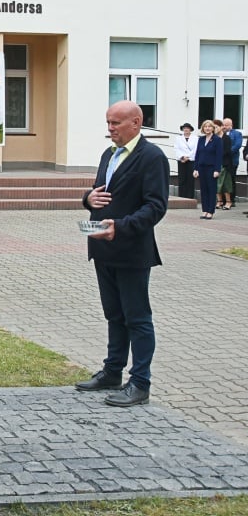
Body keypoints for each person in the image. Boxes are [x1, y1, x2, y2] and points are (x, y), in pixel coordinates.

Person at [78, 100, 168, 408]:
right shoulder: (109, 154)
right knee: (114, 314)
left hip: (131, 250)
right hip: (102, 246)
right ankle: (112, 371)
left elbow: (156, 206)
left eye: (115, 123)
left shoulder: (152, 157)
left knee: (137, 318)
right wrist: (87, 198)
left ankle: (140, 382)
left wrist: (122, 226)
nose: (110, 129)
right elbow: (96, 194)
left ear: (136, 123)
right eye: (108, 123)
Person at [193, 119, 222, 220]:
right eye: (205, 127)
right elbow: (197, 154)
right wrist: (195, 168)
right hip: (202, 167)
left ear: (213, 128)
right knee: (204, 189)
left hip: (211, 168)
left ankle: (210, 211)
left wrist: (217, 170)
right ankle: (204, 210)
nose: (207, 128)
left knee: (211, 189)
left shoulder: (217, 140)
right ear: (203, 128)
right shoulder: (201, 139)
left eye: (209, 126)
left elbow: (219, 156)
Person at [173, 122, 197, 200]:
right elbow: (176, 149)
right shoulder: (178, 138)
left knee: (190, 179)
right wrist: (182, 157)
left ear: (190, 130)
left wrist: (188, 157)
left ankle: (190, 197)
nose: (186, 129)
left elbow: (195, 150)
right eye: (184, 128)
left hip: (191, 160)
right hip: (181, 161)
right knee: (182, 178)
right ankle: (182, 196)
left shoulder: (196, 138)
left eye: (188, 128)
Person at [216, 119, 236, 210]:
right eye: (214, 127)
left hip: (225, 164)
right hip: (215, 164)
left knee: (225, 184)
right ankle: (219, 201)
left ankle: (228, 202)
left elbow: (227, 151)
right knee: (217, 183)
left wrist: (217, 155)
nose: (215, 129)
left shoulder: (226, 138)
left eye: (217, 127)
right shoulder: (213, 138)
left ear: (221, 127)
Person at [224, 118, 242, 206]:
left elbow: (238, 145)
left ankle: (232, 199)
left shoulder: (237, 133)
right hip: (223, 161)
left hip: (232, 160)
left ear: (231, 125)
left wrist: (228, 152)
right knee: (222, 180)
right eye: (224, 125)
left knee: (231, 179)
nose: (225, 127)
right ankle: (223, 199)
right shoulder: (221, 133)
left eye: (227, 125)